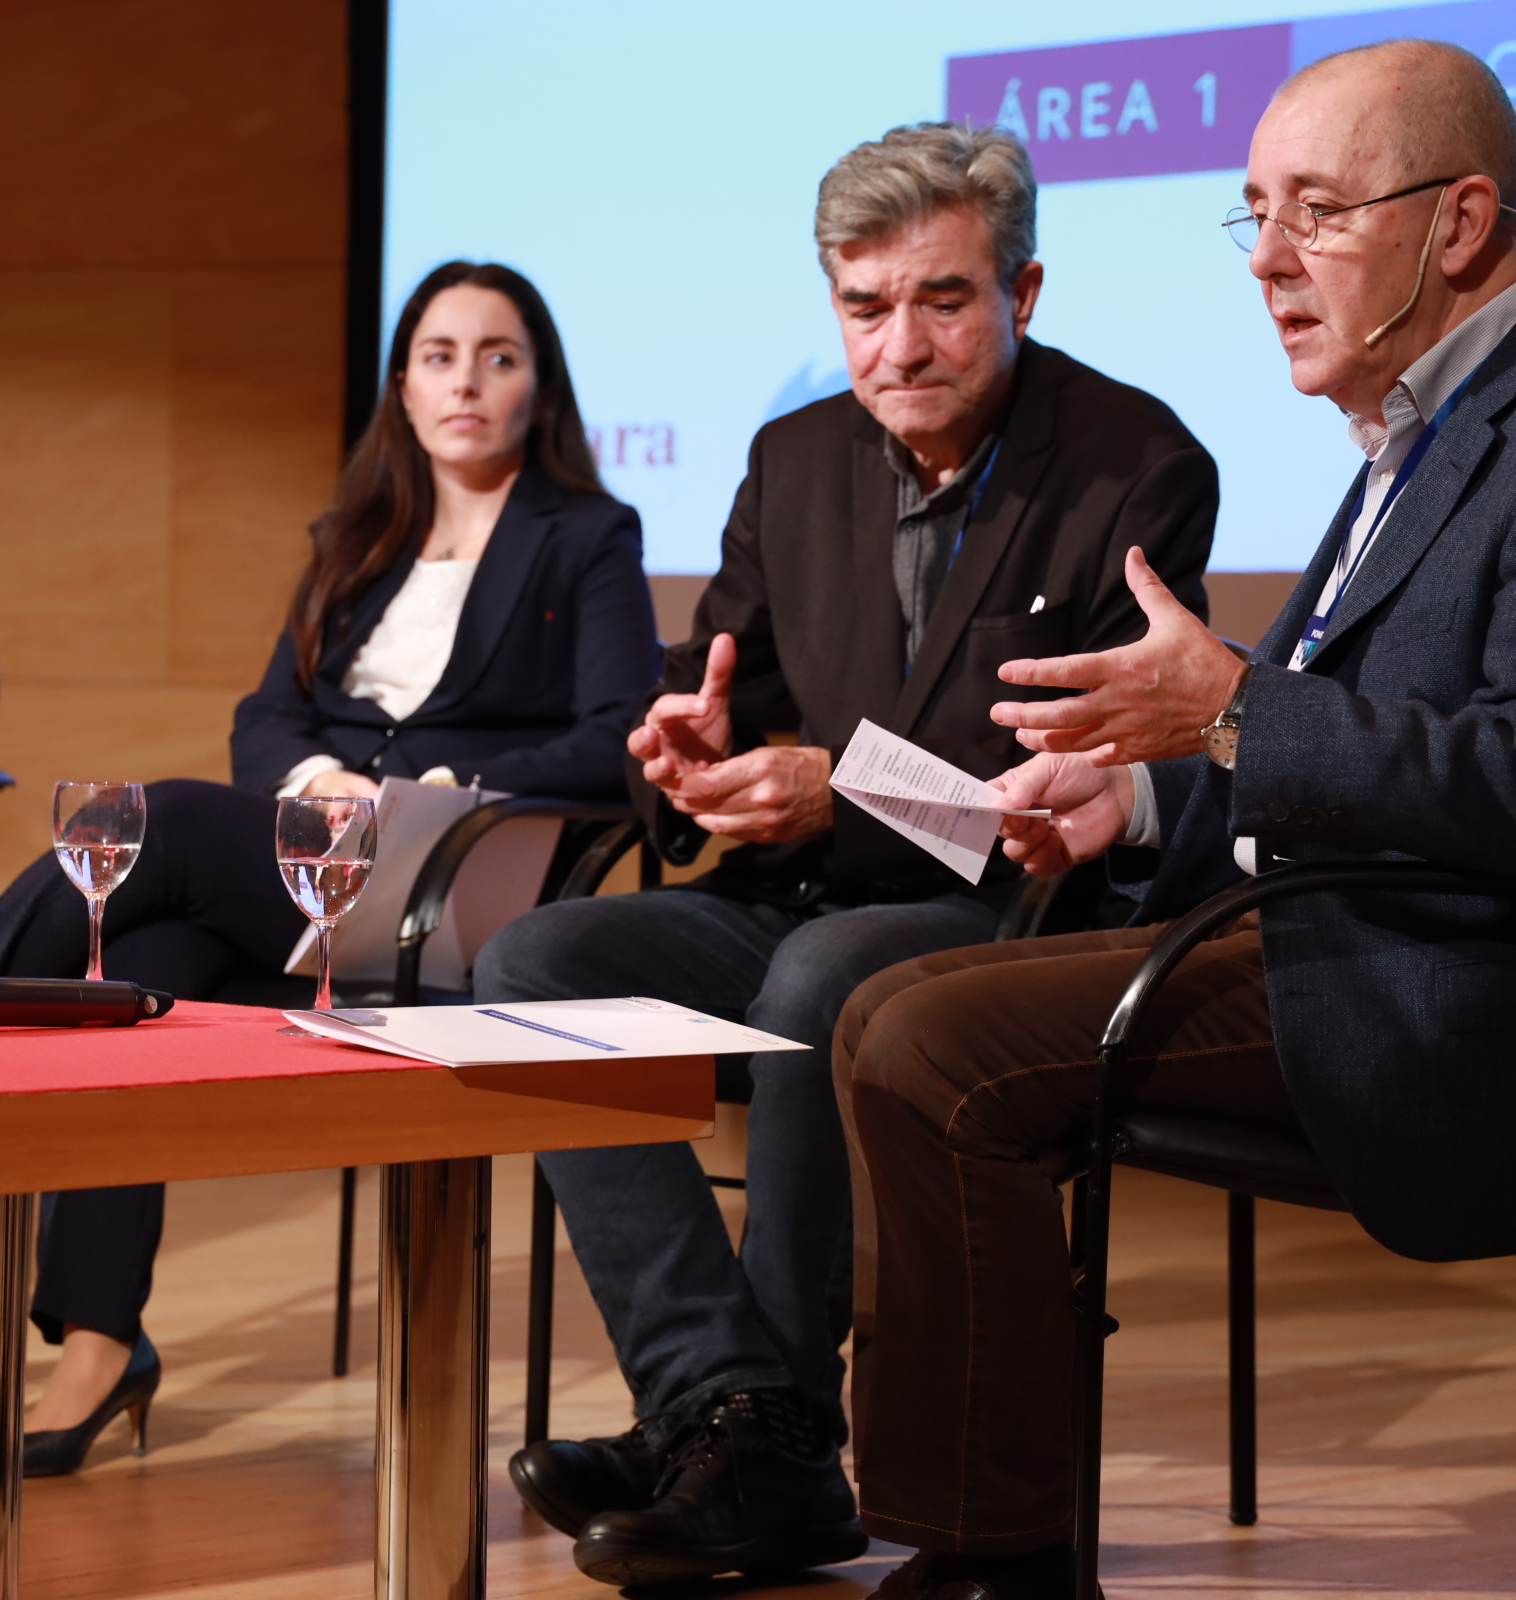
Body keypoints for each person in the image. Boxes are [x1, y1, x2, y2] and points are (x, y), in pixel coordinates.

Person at [833, 39, 1516, 1600]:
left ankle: (995, 1554)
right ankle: (976, 1524)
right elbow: (1350, 758)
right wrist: (1132, 802)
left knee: (928, 1046)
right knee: (887, 1011)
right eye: (1254, 210)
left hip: (1481, 1002)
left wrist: (1236, 710)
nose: (1266, 259)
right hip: (1364, 933)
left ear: (1459, 225)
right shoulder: (1433, 423)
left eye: (1317, 212)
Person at [473, 124, 1219, 1587]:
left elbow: (1080, 779)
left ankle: (772, 1439)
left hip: (1002, 916)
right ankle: (728, 1406)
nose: (902, 345)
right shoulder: (792, 455)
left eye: (943, 300)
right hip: (790, 897)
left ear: (1027, 288)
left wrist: (837, 795)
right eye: (864, 307)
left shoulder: (1137, 462)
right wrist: (685, 759)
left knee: (821, 979)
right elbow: (725, 691)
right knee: (537, 959)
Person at [0, 261, 659, 1475]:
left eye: (499, 354)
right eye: (438, 354)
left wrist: (414, 800)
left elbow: (610, 738)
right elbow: (265, 715)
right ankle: (102, 1343)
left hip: (447, 883)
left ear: (541, 385)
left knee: (154, 820)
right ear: (404, 384)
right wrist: (320, 786)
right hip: (315, 859)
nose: (467, 380)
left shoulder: (585, 534)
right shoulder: (355, 537)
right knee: (149, 966)